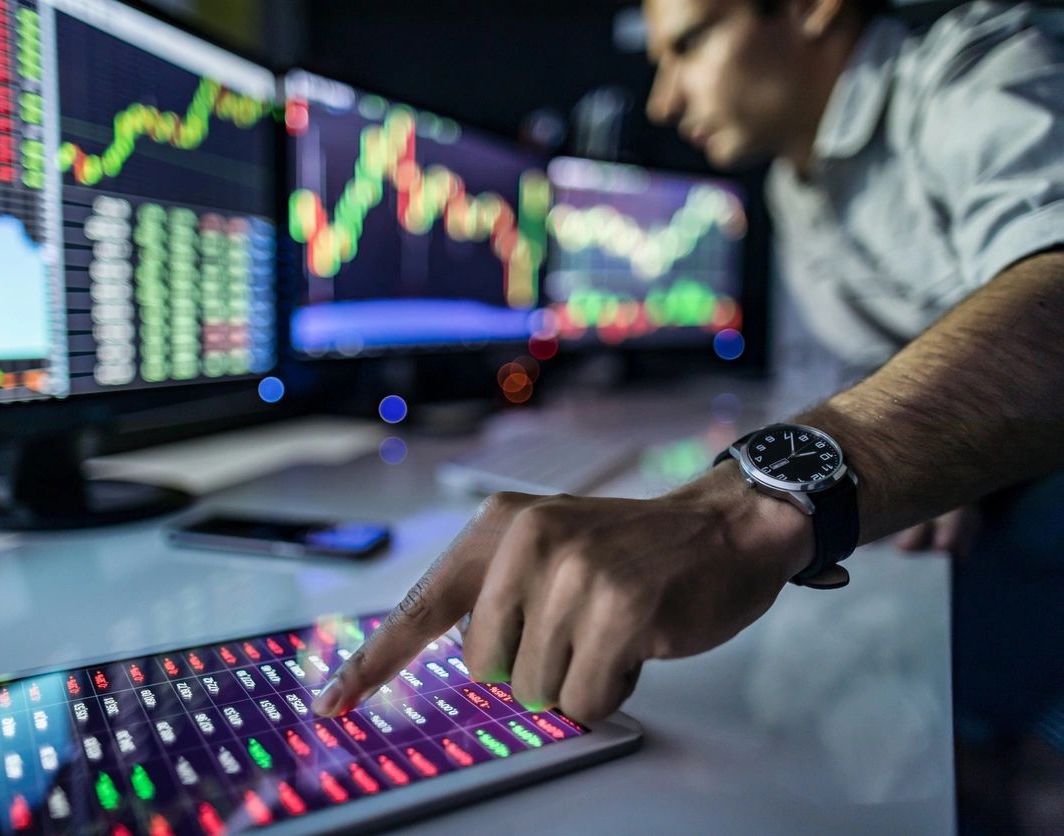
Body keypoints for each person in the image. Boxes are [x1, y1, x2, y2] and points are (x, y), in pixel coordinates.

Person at [312, 0, 1064, 811]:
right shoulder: (795, 184)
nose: (664, 100)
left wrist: (746, 511)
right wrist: (937, 450)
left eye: (689, 45)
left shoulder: (984, 69)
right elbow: (875, 374)